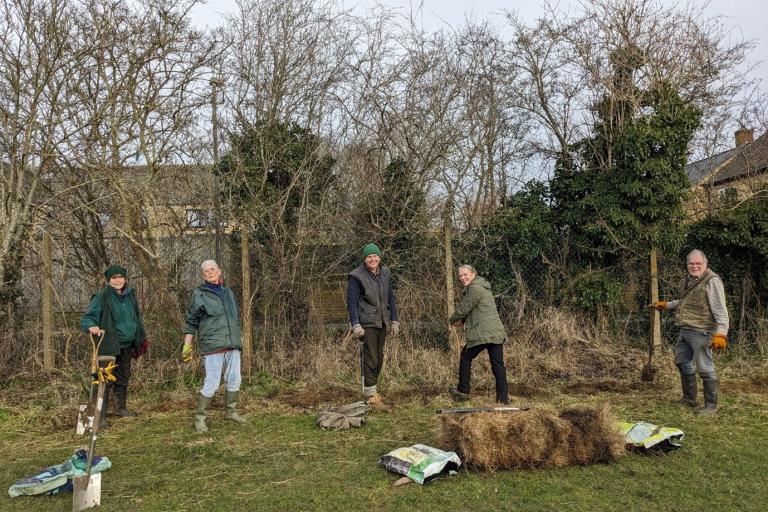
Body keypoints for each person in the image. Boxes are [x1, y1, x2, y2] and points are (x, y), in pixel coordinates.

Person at [653, 249, 729, 415]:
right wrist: (667, 305)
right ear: (687, 264)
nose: (694, 266)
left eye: (698, 263)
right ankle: (690, 399)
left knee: (705, 368)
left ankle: (711, 406)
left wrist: (721, 334)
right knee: (682, 361)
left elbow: (720, 309)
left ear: (705, 264)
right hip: (686, 329)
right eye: (691, 263)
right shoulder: (688, 279)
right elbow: (684, 301)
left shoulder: (712, 281)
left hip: (702, 331)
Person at [81, 264, 149, 428]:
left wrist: (140, 337)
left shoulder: (130, 295)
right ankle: (99, 417)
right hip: (108, 344)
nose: (118, 280)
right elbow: (88, 317)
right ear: (109, 280)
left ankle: (120, 408)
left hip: (126, 345)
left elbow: (137, 318)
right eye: (114, 277)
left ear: (125, 279)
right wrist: (91, 326)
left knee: (123, 376)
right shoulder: (101, 297)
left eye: (120, 277)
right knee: (103, 380)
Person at [182, 260, 245, 432]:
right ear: (203, 275)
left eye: (212, 269)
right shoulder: (199, 295)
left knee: (234, 379)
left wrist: (238, 338)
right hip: (212, 345)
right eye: (206, 271)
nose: (210, 272)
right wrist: (187, 345)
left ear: (219, 271)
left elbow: (234, 317)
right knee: (212, 382)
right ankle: (200, 419)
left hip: (232, 344)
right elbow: (191, 321)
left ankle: (231, 412)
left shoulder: (228, 293)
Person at [346, 242, 400, 408]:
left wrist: (394, 319)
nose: (372, 259)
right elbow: (351, 302)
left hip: (382, 321)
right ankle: (370, 396)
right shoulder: (356, 276)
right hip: (366, 323)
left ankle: (372, 389)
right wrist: (355, 324)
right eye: (369, 256)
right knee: (371, 357)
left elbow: (390, 297)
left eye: (375, 256)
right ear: (364, 259)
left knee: (380, 357)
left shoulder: (385, 273)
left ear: (379, 257)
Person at [448, 264, 508, 404]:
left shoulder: (474, 288)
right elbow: (477, 310)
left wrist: (452, 320)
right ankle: (503, 399)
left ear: (473, 273)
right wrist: (463, 321)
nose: (462, 278)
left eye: (465, 274)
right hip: (495, 332)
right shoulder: (482, 286)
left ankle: (463, 391)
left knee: (465, 357)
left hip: (484, 333)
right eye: (460, 276)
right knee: (498, 365)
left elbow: (464, 308)